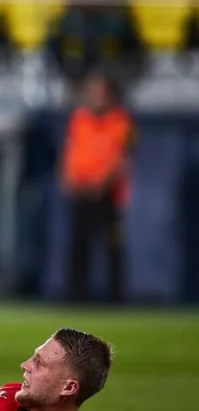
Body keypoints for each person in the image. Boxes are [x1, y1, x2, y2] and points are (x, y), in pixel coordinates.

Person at [60, 71, 134, 303]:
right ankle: (76, 296)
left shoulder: (120, 120)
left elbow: (122, 159)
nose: (95, 97)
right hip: (81, 192)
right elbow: (71, 152)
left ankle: (115, 297)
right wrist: (69, 178)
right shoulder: (80, 119)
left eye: (100, 92)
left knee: (112, 245)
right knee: (78, 246)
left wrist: (101, 183)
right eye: (91, 92)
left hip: (107, 194)